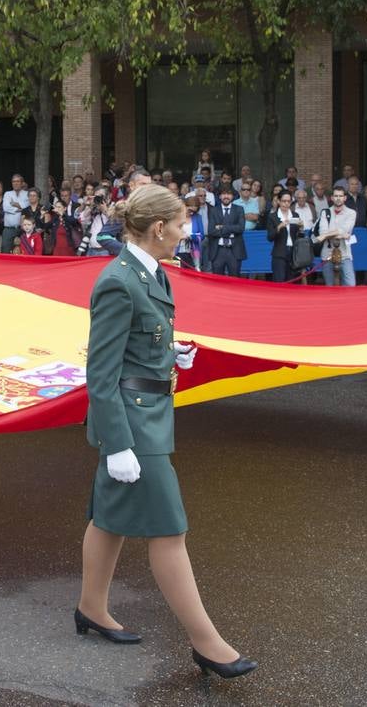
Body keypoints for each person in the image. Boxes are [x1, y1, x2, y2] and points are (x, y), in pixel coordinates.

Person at [77, 184, 256, 679]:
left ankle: (91, 608)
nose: (185, 232)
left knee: (109, 519)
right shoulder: (119, 280)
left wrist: (167, 355)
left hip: (149, 409)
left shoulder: (148, 271)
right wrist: (117, 444)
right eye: (180, 224)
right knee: (169, 531)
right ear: (159, 228)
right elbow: (101, 370)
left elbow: (140, 338)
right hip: (132, 425)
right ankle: (207, 643)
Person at [313, 186, 356, 286]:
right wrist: (342, 234)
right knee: (330, 286)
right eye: (336, 196)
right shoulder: (325, 212)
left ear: (345, 198)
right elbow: (322, 231)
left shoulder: (351, 213)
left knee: (351, 285)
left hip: (345, 254)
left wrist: (326, 235)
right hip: (327, 253)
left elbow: (344, 230)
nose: (338, 198)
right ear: (331, 198)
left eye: (340, 196)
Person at [266, 190, 308, 283]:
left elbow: (300, 237)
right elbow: (269, 237)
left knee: (292, 282)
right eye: (284, 201)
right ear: (278, 201)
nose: (286, 204)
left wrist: (301, 228)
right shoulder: (272, 217)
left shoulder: (295, 215)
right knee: (279, 281)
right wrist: (279, 227)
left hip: (293, 254)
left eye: (289, 201)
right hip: (279, 254)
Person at [205, 187, 247, 277]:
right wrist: (231, 230)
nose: (226, 196)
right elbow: (211, 231)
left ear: (232, 196)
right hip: (218, 250)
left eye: (228, 194)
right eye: (223, 194)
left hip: (234, 250)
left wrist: (222, 227)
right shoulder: (213, 210)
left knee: (234, 281)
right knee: (217, 281)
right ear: (219, 196)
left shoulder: (239, 209)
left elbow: (241, 228)